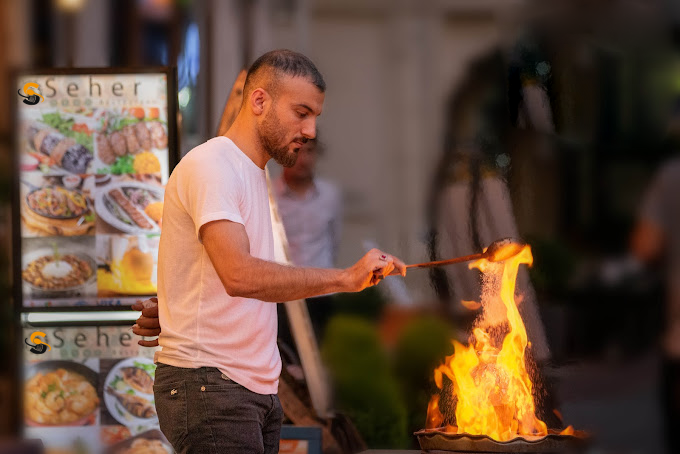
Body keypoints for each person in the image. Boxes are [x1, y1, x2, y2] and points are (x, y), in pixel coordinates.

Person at [131, 49, 406, 454]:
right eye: (301, 112)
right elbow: (239, 274)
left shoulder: (250, 172)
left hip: (246, 391)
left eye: (314, 116)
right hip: (214, 389)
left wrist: (175, 308)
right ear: (259, 101)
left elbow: (214, 274)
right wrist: (345, 278)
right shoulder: (212, 165)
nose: (310, 130)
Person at [272, 136, 342, 344]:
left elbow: (334, 239)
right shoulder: (270, 195)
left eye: (309, 151)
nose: (303, 159)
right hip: (283, 293)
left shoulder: (330, 195)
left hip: (321, 290)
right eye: (297, 151)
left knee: (320, 358)